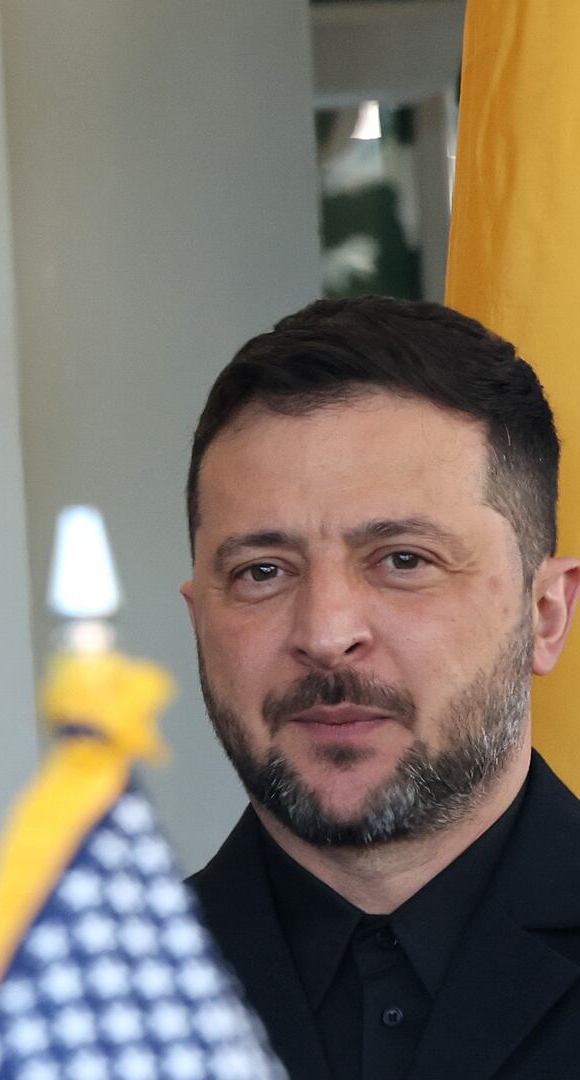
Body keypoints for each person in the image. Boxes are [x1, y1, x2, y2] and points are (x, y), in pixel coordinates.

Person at [181, 296, 580, 1080]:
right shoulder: (67, 1019)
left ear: (544, 615)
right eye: (263, 572)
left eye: (403, 560)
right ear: (200, 621)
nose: (326, 633)